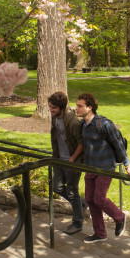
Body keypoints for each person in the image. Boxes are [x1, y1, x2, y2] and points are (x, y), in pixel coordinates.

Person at [75, 93, 130, 243]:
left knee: (99, 199)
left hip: (105, 167)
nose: (76, 108)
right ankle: (100, 233)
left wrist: (127, 164)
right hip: (91, 167)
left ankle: (119, 217)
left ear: (89, 108)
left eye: (79, 106)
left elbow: (118, 144)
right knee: (90, 199)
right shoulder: (83, 125)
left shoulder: (103, 124)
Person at [48, 91, 85, 235]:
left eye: (54, 108)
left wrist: (72, 159)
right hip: (58, 159)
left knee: (71, 191)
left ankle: (77, 223)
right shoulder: (54, 118)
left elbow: (81, 144)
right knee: (57, 188)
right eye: (50, 107)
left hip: (72, 161)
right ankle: (82, 203)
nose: (51, 110)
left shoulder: (73, 122)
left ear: (61, 108)